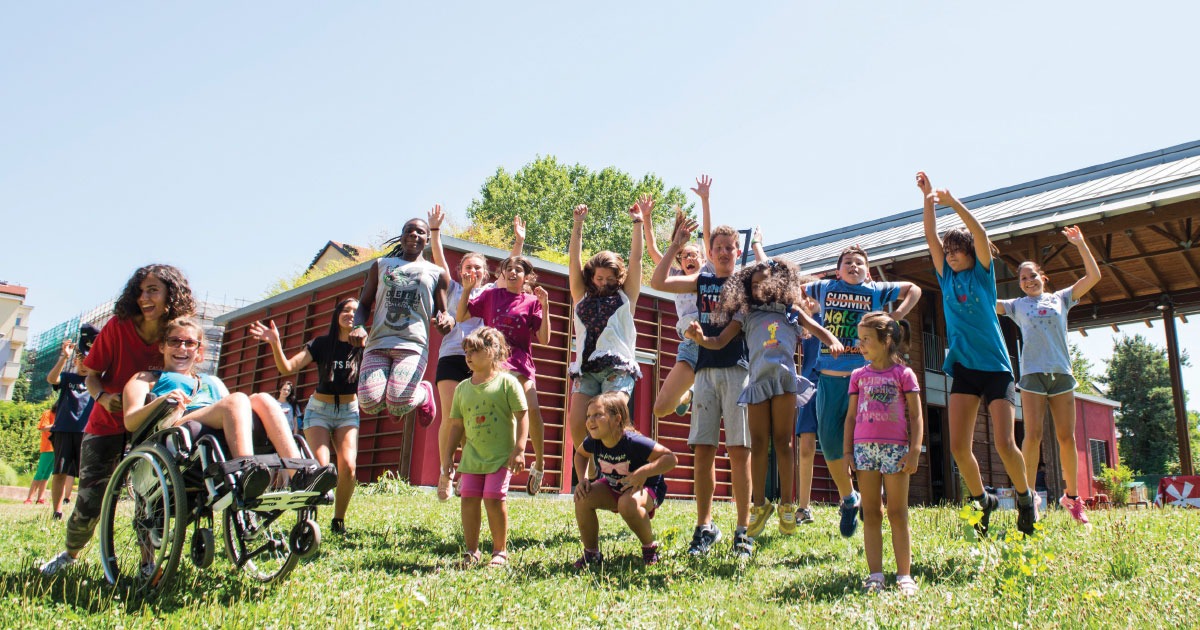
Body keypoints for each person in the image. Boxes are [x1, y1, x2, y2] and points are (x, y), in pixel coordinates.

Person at [41, 264, 195, 576]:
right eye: (140, 291)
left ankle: (147, 563)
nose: (143, 297)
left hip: (152, 424)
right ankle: (69, 554)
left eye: (152, 290)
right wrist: (102, 398)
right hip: (107, 421)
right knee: (89, 503)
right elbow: (92, 377)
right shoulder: (118, 327)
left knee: (150, 496)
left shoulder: (175, 333)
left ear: (171, 294)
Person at [918, 171, 1035, 536]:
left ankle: (1025, 499)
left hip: (997, 370)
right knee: (957, 447)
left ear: (970, 254)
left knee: (1003, 442)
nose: (950, 256)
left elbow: (982, 235)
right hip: (964, 369)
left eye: (957, 252)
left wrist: (954, 204)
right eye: (948, 253)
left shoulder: (982, 275)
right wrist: (927, 200)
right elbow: (931, 239)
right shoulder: (946, 278)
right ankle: (982, 499)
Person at [687, 258, 838, 539]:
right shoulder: (745, 314)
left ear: (779, 283)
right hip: (756, 383)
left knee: (784, 442)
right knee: (758, 444)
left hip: (783, 382)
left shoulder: (791, 312)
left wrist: (833, 342)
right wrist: (700, 338)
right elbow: (719, 342)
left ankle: (787, 504)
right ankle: (759, 505)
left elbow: (818, 329)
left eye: (764, 283)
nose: (759, 288)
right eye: (753, 285)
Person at [121, 317, 336, 498]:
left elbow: (235, 407)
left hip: (218, 424)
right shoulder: (148, 379)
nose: (182, 348)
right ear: (162, 346)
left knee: (263, 399)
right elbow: (130, 421)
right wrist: (162, 400)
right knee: (237, 400)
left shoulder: (210, 381)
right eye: (174, 341)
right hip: (177, 426)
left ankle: (300, 473)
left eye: (189, 343)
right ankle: (246, 472)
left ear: (199, 352)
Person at [652, 218, 753, 558]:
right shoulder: (701, 279)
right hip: (705, 373)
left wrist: (700, 338)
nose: (724, 252)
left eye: (730, 248)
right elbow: (659, 281)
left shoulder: (744, 285)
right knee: (703, 451)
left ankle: (743, 531)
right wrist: (674, 243)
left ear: (738, 252)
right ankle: (704, 527)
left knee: (739, 452)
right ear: (710, 252)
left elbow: (727, 336)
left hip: (737, 371)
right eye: (719, 248)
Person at [805, 244, 921, 537]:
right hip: (830, 378)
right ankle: (849, 498)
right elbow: (794, 295)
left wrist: (893, 318)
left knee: (869, 443)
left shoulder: (876, 290)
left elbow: (915, 289)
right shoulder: (824, 287)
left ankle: (874, 503)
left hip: (867, 379)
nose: (853, 266)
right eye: (847, 262)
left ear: (867, 270)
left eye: (859, 262)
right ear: (837, 269)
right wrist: (819, 329)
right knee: (830, 443)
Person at [997, 225, 1101, 525]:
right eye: (1023, 278)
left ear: (1044, 278)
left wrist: (1080, 243)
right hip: (1032, 375)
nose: (1028, 281)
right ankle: (1028, 497)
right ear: (1019, 284)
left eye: (1033, 276)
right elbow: (984, 304)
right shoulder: (1017, 306)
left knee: (1066, 437)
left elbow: (1093, 277)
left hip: (1061, 374)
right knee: (1033, 436)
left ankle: (1072, 497)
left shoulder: (1061, 298)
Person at [643, 175, 767, 419]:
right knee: (659, 409)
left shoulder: (708, 274)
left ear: (704, 257)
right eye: (685, 255)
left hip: (716, 338)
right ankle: (689, 395)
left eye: (694, 255)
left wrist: (705, 200)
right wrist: (646, 219)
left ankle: (700, 395)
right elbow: (653, 252)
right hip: (691, 342)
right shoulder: (679, 276)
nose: (689, 258)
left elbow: (709, 233)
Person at [428, 205, 525, 501]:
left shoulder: (493, 293)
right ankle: (444, 473)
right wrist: (435, 231)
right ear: (461, 271)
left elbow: (511, 269)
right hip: (451, 357)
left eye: (478, 268)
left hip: (481, 362)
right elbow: (439, 259)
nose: (473, 272)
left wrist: (518, 241)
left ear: (485, 274)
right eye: (468, 267)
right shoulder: (455, 288)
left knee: (475, 421)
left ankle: (468, 473)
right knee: (450, 417)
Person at [250, 297, 363, 534]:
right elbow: (287, 368)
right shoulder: (321, 344)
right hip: (319, 411)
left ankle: (338, 520)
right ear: (336, 315)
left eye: (355, 311)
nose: (350, 314)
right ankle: (307, 521)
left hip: (348, 411)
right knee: (322, 468)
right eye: (345, 310)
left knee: (349, 467)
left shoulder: (364, 344)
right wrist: (275, 343)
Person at [843, 312, 924, 595]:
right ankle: (875, 575)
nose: (860, 344)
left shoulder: (904, 374)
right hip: (864, 451)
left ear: (886, 340)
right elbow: (851, 418)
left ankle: (905, 576)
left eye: (866, 339)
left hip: (896, 450)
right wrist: (847, 452)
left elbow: (916, 415)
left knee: (898, 513)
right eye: (859, 339)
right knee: (872, 513)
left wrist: (914, 450)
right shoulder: (858, 377)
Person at [565, 199, 645, 480]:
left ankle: (623, 471)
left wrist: (638, 224)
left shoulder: (626, 297)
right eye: (599, 278)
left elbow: (635, 260)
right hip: (586, 368)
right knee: (579, 425)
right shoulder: (581, 295)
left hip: (617, 369)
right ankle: (589, 481)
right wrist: (578, 225)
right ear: (592, 277)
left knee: (609, 420)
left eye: (610, 279)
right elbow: (573, 261)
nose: (604, 283)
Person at [457, 256, 549, 494]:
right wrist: (467, 290)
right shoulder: (490, 296)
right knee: (476, 414)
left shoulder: (531, 301)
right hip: (492, 363)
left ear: (525, 277)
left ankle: (538, 464)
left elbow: (545, 339)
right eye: (508, 269)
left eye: (517, 270)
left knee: (532, 410)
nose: (512, 273)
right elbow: (461, 316)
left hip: (520, 365)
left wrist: (545, 306)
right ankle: (468, 468)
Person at [352, 217, 454, 428]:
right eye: (409, 231)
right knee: (368, 404)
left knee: (398, 403)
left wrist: (446, 322)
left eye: (420, 232)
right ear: (401, 237)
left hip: (412, 345)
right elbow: (363, 304)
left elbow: (444, 313)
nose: (414, 235)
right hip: (378, 344)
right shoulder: (381, 266)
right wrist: (358, 327)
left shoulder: (437, 273)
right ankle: (396, 395)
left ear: (427, 240)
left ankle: (424, 393)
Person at [441, 327, 529, 567]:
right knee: (468, 498)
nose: (468, 356)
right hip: (472, 458)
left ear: (493, 352)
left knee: (493, 498)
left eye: (475, 351)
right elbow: (456, 426)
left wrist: (519, 450)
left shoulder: (507, 383)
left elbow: (523, 416)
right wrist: (448, 457)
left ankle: (500, 551)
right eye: (466, 351)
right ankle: (472, 551)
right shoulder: (462, 389)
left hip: (501, 457)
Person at [572, 392, 677, 568]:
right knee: (583, 497)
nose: (590, 420)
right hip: (616, 485)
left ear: (616, 419)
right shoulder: (594, 441)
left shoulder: (634, 442)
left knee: (627, 503)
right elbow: (581, 455)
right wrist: (582, 479)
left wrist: (643, 472)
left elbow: (670, 458)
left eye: (598, 415)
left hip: (647, 487)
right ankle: (592, 554)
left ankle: (649, 549)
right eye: (589, 416)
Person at [46, 339, 92, 520]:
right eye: (81, 360)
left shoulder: (97, 382)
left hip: (87, 432)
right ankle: (57, 511)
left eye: (89, 361)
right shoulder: (67, 378)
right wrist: (63, 357)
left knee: (86, 475)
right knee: (59, 472)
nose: (84, 364)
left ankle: (83, 512)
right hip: (63, 430)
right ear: (76, 361)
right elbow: (51, 379)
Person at [25, 403, 57, 505]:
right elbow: (43, 427)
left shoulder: (62, 415)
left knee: (47, 474)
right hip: (48, 447)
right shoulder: (47, 413)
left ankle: (40, 498)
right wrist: (58, 424)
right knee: (40, 472)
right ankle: (29, 498)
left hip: (57, 448)